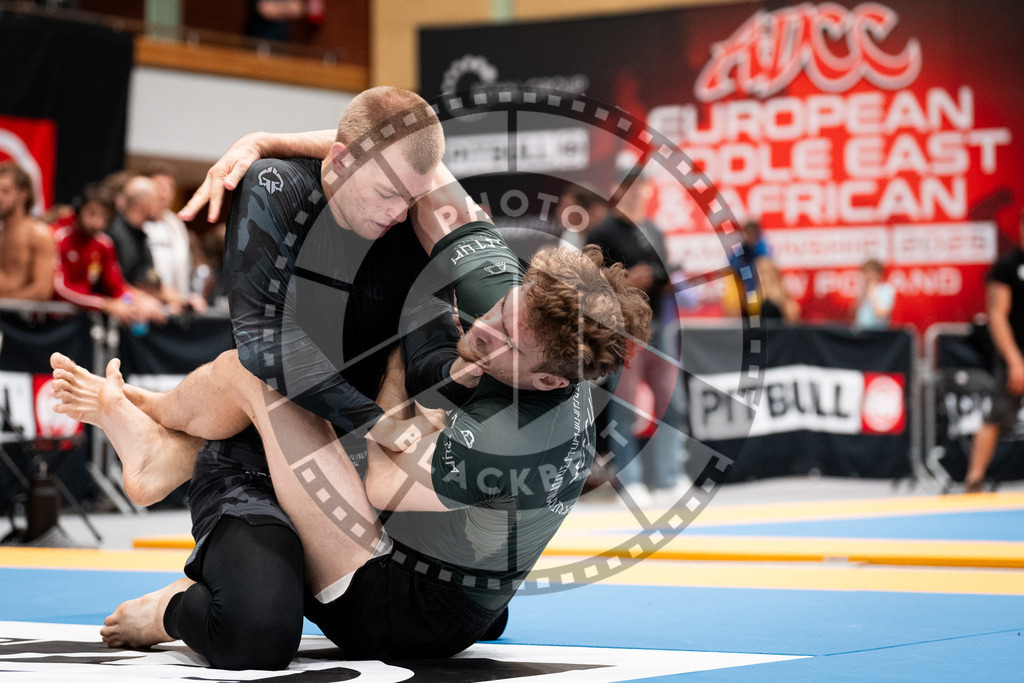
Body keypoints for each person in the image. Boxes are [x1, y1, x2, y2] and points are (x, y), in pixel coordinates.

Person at [52, 227, 651, 670]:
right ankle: (164, 442)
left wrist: (400, 369)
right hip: (466, 594)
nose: (483, 329)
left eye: (507, 345)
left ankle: (158, 432)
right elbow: (426, 165)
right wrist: (264, 141)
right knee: (355, 405)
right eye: (498, 309)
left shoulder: (511, 442)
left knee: (262, 376)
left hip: (390, 606)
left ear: (549, 381)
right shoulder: (542, 329)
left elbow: (381, 482)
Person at [586, 168, 684, 504]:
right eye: (628, 187)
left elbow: (665, 274)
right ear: (616, 189)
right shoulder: (602, 232)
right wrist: (625, 281)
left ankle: (669, 477)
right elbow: (588, 284)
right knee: (625, 407)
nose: (635, 193)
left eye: (640, 186)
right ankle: (630, 480)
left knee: (672, 403)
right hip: (623, 329)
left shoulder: (654, 230)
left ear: (647, 190)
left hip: (658, 323)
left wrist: (666, 280)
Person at [964, 210, 1024, 493]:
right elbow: (997, 315)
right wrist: (1014, 360)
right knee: (997, 413)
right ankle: (974, 479)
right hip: (1016, 354)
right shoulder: (1007, 267)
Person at [53, 183, 150, 326]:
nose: (96, 223)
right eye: (92, 214)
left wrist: (133, 302)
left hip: (81, 323)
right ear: (79, 209)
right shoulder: (58, 237)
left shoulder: (104, 244)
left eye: (103, 217)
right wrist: (103, 304)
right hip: (51, 323)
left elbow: (116, 287)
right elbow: (59, 289)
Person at [141, 164, 206, 313]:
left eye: (169, 187)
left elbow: (186, 266)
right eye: (159, 187)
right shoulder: (138, 223)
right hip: (147, 304)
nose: (165, 193)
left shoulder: (176, 224)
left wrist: (186, 297)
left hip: (175, 305)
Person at [0, 162, 55, 301]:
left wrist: (5, 302)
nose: (0, 197)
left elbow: (42, 290)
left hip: (19, 312)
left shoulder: (38, 234)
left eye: (5, 191)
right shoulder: (1, 233)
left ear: (23, 194)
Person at [854, 258, 895, 329]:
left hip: (878, 331)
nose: (867, 277)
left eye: (869, 273)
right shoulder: (864, 290)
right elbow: (853, 314)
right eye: (865, 273)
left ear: (878, 274)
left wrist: (873, 292)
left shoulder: (886, 289)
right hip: (861, 330)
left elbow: (881, 313)